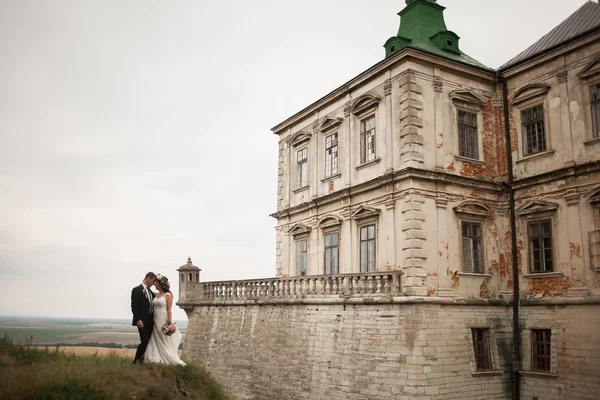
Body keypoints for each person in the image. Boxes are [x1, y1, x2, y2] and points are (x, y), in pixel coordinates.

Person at [144, 274, 186, 366]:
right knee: (155, 337)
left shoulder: (167, 295)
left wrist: (169, 322)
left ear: (160, 284)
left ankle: (169, 357)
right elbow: (148, 291)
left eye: (156, 283)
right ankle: (155, 357)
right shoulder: (157, 294)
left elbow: (169, 309)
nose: (155, 284)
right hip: (155, 318)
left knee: (163, 338)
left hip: (163, 318)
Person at [131, 272, 157, 364]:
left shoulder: (149, 291)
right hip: (141, 321)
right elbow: (134, 306)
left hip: (151, 320)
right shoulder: (136, 290)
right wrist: (138, 319)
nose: (153, 284)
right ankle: (136, 361)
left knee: (149, 341)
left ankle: (142, 360)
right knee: (145, 340)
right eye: (153, 282)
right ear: (148, 278)